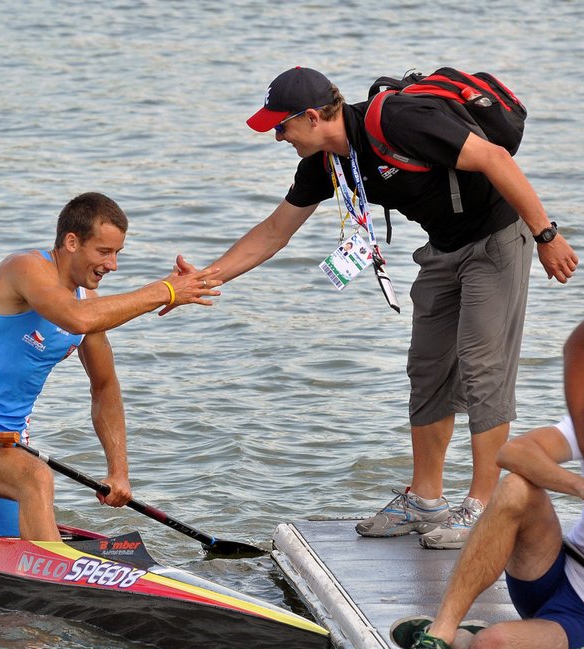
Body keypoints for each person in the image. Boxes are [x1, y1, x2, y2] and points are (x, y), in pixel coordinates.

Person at [174, 66, 578, 549]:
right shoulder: (327, 163)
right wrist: (199, 281)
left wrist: (546, 235)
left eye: (280, 126)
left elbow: (494, 158)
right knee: (427, 368)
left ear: (310, 116)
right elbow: (274, 232)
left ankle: (482, 507)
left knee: (482, 366)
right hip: (443, 249)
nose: (277, 137)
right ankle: (425, 499)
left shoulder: (399, 121)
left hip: (496, 239)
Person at [0, 192, 220, 541]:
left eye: (117, 253)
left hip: (10, 444)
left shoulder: (88, 303)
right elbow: (77, 319)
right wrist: (165, 290)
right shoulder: (24, 269)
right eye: (104, 252)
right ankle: (56, 574)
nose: (113, 265)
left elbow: (104, 387)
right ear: (72, 241)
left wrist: (118, 472)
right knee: (36, 476)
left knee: (0, 545)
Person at [388, 319, 584, 649]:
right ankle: (440, 634)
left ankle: (463, 639)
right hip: (552, 568)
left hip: (578, 617)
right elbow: (514, 453)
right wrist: (577, 485)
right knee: (515, 486)